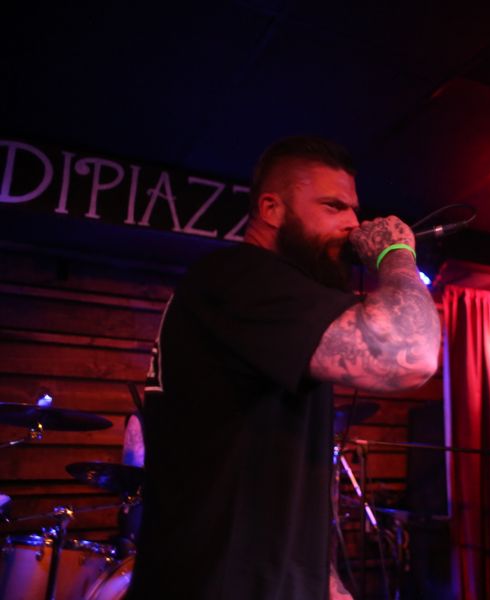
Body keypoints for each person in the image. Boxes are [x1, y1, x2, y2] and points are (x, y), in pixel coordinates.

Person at [127, 136, 441, 600]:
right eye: (333, 206)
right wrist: (395, 254)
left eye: (354, 210)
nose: (353, 224)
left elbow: (284, 484)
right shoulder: (240, 277)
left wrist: (327, 584)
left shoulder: (283, 308)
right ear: (271, 209)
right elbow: (412, 354)